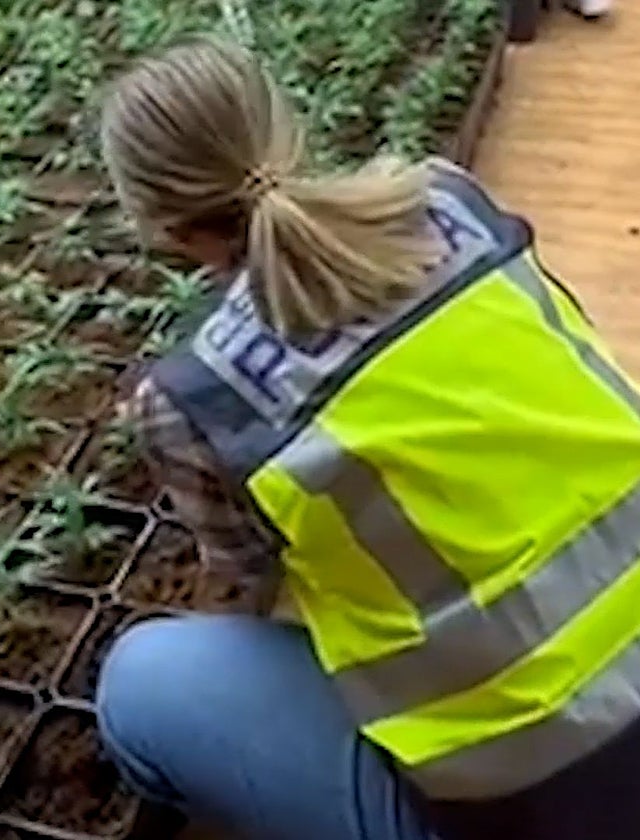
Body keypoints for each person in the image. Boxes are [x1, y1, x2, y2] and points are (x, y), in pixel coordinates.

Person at [94, 37, 640, 840]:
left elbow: (244, 592)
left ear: (164, 231)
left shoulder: (196, 396)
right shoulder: (447, 200)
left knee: (143, 683)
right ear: (286, 132)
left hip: (551, 796)